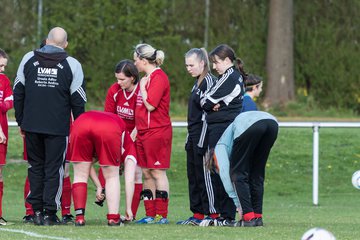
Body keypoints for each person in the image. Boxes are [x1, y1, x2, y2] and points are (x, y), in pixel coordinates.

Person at [13, 27, 86, 225]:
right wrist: (79, 129)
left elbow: (18, 91)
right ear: (66, 44)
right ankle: (49, 214)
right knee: (54, 169)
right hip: (58, 128)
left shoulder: (28, 58)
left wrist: (21, 121)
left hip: (32, 126)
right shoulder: (73, 64)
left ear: (46, 41)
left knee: (35, 167)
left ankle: (36, 212)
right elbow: (78, 101)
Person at [199, 44, 246, 226]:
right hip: (217, 127)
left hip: (222, 128)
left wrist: (214, 105)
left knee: (221, 170)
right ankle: (223, 214)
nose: (214, 66)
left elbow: (206, 102)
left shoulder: (230, 76)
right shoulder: (224, 76)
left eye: (217, 62)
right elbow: (206, 100)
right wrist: (213, 104)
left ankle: (227, 216)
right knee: (217, 170)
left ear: (227, 61)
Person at [69, 110, 136, 226]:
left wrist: (99, 186)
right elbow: (129, 181)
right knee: (112, 176)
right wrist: (129, 208)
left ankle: (79, 218)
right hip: (108, 126)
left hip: (81, 122)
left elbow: (87, 164)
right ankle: (113, 218)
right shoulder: (130, 148)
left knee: (80, 174)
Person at [212, 111, 278, 227]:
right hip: (272, 123)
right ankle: (257, 217)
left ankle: (248, 217)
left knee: (237, 174)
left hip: (248, 125)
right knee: (256, 174)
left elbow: (226, 176)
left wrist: (238, 205)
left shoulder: (219, 148)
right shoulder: (229, 140)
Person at [177, 48, 218, 225]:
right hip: (192, 135)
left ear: (202, 63)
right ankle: (198, 214)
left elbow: (207, 114)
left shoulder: (210, 82)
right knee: (193, 175)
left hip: (204, 136)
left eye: (191, 65)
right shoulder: (197, 83)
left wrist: (201, 140)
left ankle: (212, 214)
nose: (188, 68)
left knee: (205, 175)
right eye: (186, 65)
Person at [133, 43, 172, 224]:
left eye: (136, 60)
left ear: (143, 60)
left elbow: (150, 105)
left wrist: (141, 87)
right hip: (143, 132)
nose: (135, 64)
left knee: (157, 172)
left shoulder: (158, 77)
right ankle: (150, 214)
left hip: (157, 131)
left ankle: (161, 215)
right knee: (146, 173)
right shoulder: (148, 77)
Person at [99, 59, 143, 219]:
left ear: (132, 77)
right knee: (109, 169)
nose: (119, 82)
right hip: (117, 136)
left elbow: (142, 119)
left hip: (137, 137)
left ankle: (131, 213)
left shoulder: (140, 91)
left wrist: (130, 139)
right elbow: (109, 117)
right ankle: (103, 193)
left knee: (136, 174)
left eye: (122, 79)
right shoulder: (114, 90)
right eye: (117, 78)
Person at [0, 49, 13, 226]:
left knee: (0, 173)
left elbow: (11, 100)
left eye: (4, 66)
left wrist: (2, 105)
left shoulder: (5, 80)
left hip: (3, 133)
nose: (2, 69)